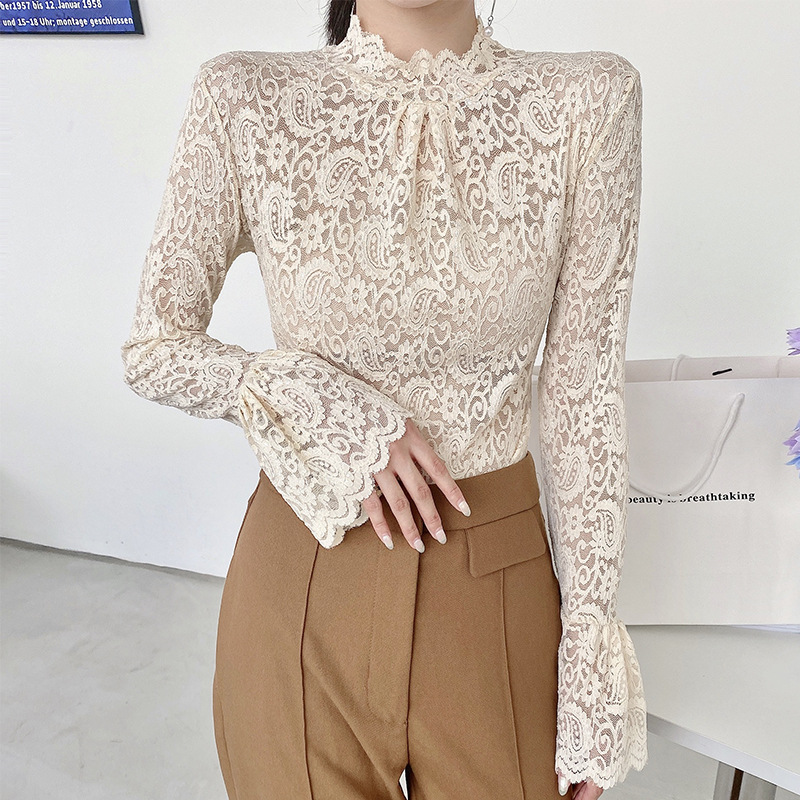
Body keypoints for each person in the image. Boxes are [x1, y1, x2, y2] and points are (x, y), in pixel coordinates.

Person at [120, 0, 648, 798]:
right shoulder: (244, 98)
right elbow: (154, 346)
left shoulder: (588, 102)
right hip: (303, 579)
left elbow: (583, 394)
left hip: (496, 595)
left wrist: (589, 649)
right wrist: (313, 399)